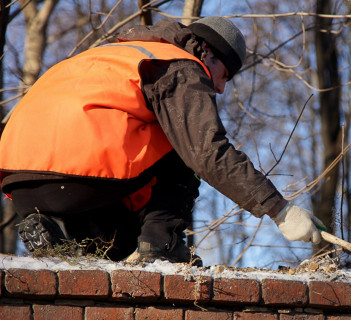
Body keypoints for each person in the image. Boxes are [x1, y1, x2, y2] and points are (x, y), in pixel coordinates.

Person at [0, 16, 323, 264]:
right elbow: (208, 152)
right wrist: (279, 209)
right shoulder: (179, 65)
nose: (222, 88)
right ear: (204, 50)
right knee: (185, 143)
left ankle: (62, 234)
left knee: (122, 243)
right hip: (83, 171)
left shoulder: (106, 55)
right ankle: (161, 248)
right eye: (224, 75)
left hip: (21, 184)